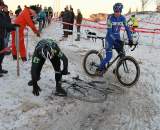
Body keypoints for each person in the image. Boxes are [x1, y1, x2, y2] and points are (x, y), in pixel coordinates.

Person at [96, 3, 133, 76]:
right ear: (114, 11)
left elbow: (127, 29)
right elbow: (109, 32)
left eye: (118, 11)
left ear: (121, 11)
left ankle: (116, 70)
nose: (117, 13)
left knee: (122, 56)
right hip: (109, 39)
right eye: (115, 11)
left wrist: (130, 39)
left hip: (117, 39)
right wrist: (114, 39)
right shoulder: (110, 18)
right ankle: (99, 69)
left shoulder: (123, 18)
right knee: (109, 57)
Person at [0, 1, 18, 77]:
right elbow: (3, 23)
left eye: (3, 6)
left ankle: (0, 69)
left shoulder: (2, 13)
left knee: (2, 53)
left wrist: (13, 27)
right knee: (1, 53)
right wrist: (13, 26)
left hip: (1, 35)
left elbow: (6, 23)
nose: (2, 7)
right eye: (1, 5)